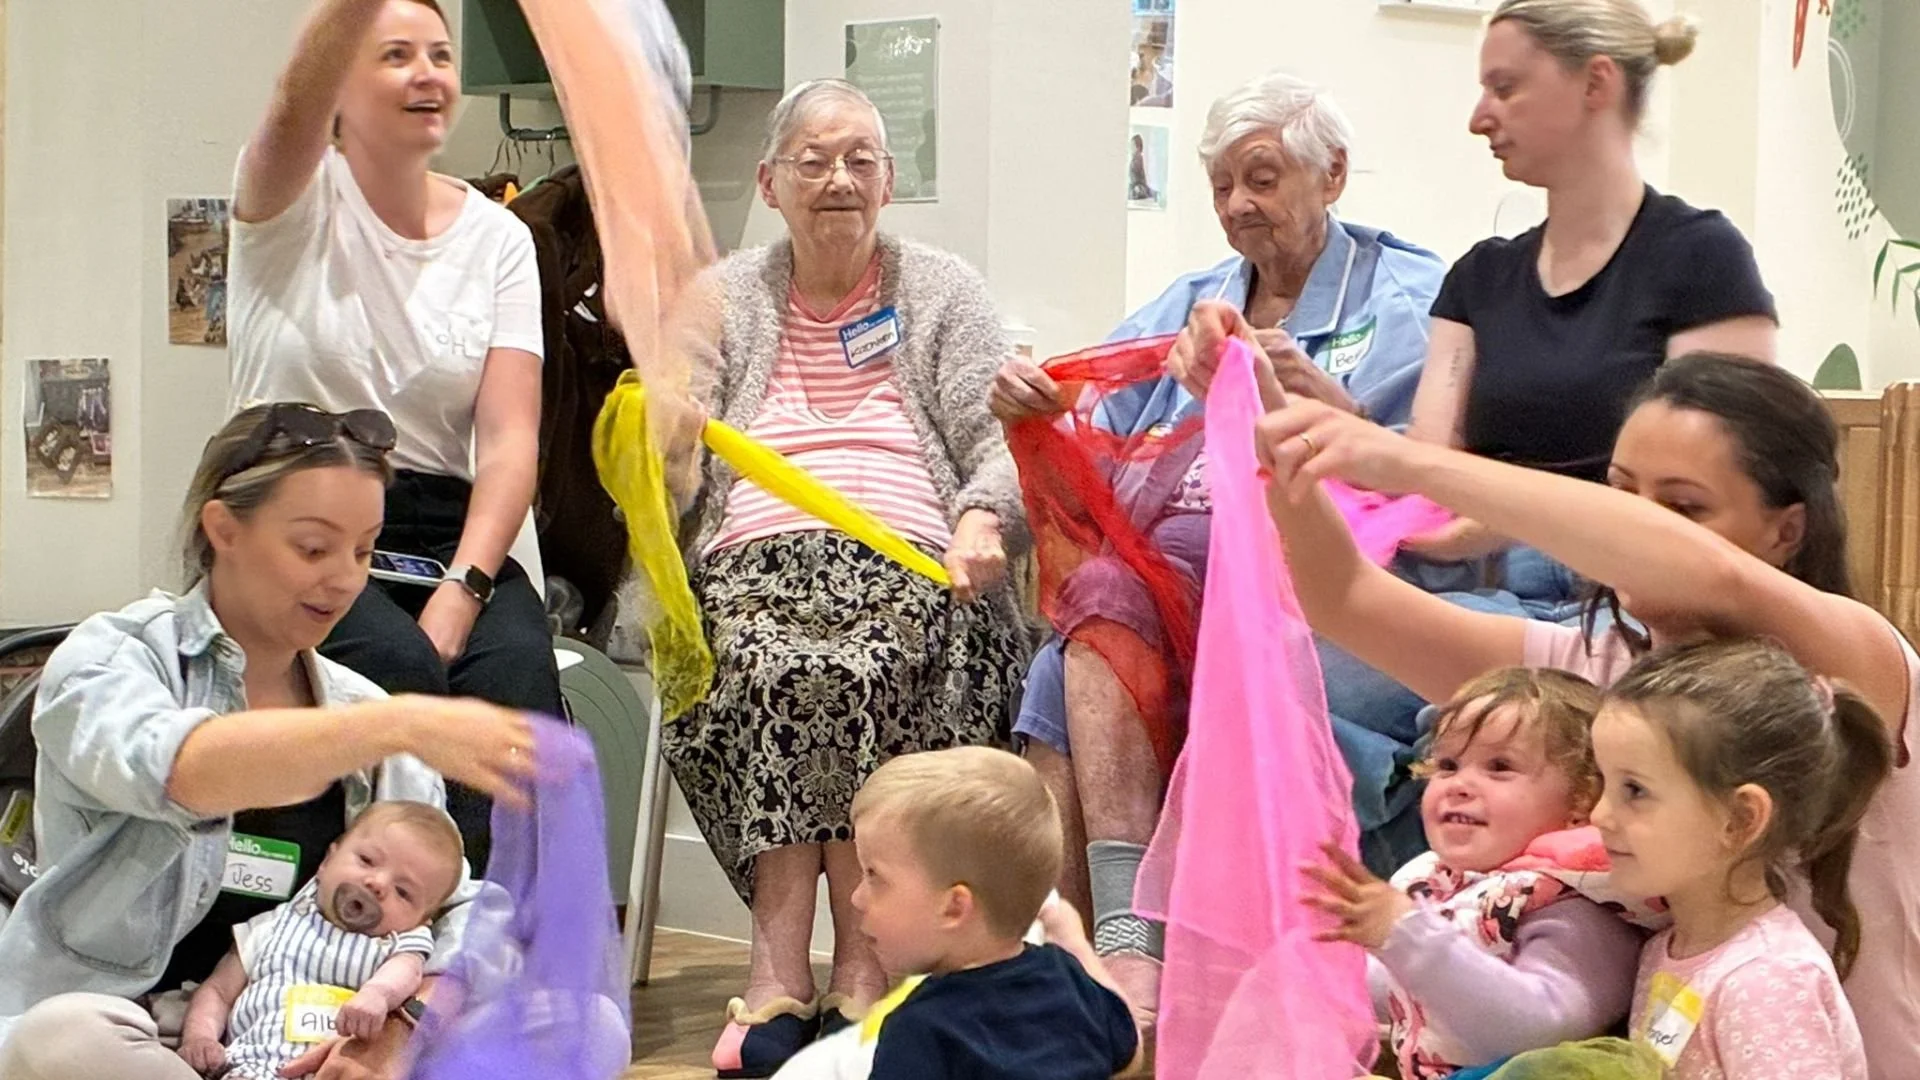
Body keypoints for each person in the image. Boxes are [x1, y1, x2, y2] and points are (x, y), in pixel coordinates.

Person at [1235, 336, 1920, 1078]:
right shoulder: (1589, 672)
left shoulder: (1851, 658)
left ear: (1787, 530)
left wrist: (1401, 462)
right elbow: (1342, 596)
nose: (1632, 525)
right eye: (1619, 491)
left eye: (1682, 504)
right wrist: (1273, 425)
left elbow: (1715, 576)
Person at [988, 70, 1445, 1015]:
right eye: (1223, 187)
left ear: (1335, 176)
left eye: (1264, 178)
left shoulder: (1413, 298)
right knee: (1084, 632)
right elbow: (1092, 410)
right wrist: (1031, 405)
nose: (1240, 205)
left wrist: (1318, 396)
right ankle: (1095, 964)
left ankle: (1108, 963)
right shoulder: (1190, 300)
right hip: (1169, 577)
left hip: (1306, 575)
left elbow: (1431, 481)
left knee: (1091, 635)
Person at [664, 79, 1030, 1078]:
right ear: (770, 181)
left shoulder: (943, 288)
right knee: (771, 659)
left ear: (889, 181)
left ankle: (855, 973)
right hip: (756, 553)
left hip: (914, 556)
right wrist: (662, 427)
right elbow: (668, 473)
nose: (838, 181)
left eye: (860, 160)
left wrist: (979, 517)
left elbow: (1001, 444)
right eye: (815, 161)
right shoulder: (723, 294)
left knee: (874, 659)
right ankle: (785, 972)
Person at [0, 404, 535, 1080]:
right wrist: (397, 726)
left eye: (364, 550)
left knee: (577, 1021)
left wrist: (404, 1023)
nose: (345, 578)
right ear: (224, 528)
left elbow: (465, 906)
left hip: (316, 1043)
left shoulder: (364, 711)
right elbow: (182, 768)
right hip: (143, 1041)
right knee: (59, 1040)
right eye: (313, 547)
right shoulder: (113, 659)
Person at [225, 0, 555, 874]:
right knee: (394, 668)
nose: (426, 74)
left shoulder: (500, 238)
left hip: (444, 528)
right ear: (342, 76)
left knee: (518, 688)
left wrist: (467, 586)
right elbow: (293, 100)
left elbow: (510, 440)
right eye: (395, 54)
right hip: (301, 512)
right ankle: (369, 947)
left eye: (441, 55)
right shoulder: (290, 194)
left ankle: (488, 957)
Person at [1304, 669, 1645, 1079]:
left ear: (1583, 799)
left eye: (1500, 767)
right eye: (1447, 765)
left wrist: (1405, 936)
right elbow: (1387, 991)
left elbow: (1539, 1030)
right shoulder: (1435, 878)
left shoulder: (1575, 905)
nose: (1459, 785)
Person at [1595, 640, 1886, 1079]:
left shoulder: (1767, 980)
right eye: (1603, 781)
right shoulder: (1664, 949)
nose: (1599, 815)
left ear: (1740, 819)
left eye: (1634, 791)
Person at [848, 747, 1141, 1079]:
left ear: (954, 907)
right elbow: (1131, 1057)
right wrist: (1076, 945)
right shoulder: (1067, 979)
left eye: (874, 876)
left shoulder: (921, 1031)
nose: (857, 898)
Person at [175, 801, 466, 1080]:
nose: (377, 884)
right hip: (256, 1066)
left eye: (403, 892)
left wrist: (377, 994)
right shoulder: (272, 926)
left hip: (345, 1070)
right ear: (327, 861)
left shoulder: (396, 943)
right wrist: (200, 1036)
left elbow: (408, 970)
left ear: (422, 920)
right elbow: (219, 992)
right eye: (366, 860)